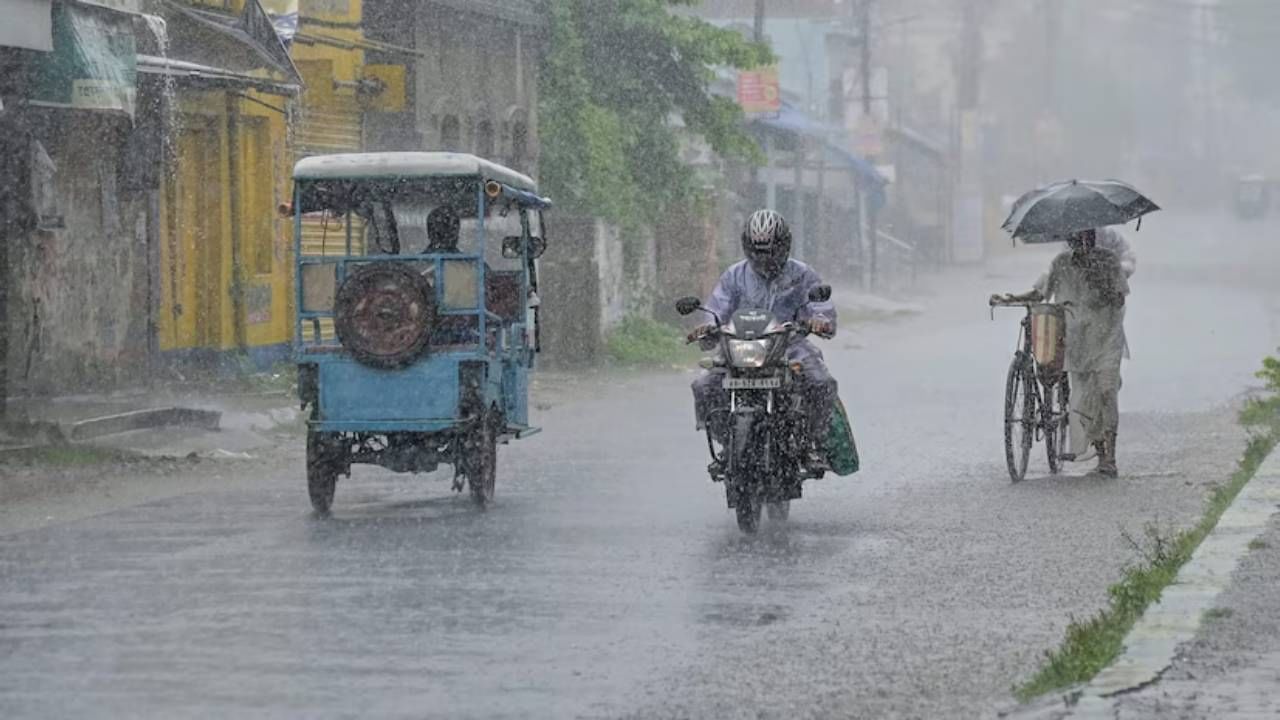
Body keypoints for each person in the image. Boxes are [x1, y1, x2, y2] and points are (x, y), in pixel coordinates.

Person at [690, 209, 838, 473]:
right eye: (757, 251)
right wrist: (706, 328)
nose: (764, 258)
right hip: (740, 347)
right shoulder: (734, 276)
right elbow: (717, 308)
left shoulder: (802, 275)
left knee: (821, 383)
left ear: (784, 245)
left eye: (769, 250)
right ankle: (728, 440)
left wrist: (819, 321)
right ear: (747, 246)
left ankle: (813, 443)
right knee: (704, 385)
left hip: (790, 345)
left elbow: (821, 308)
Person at [993, 228, 1130, 476]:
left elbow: (1120, 298)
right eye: (1075, 238)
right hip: (1077, 341)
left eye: (1085, 236)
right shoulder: (1061, 263)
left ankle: (1110, 456)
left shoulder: (1109, 260)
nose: (1081, 242)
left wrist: (1100, 282)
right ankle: (1100, 452)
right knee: (1084, 398)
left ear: (1092, 236)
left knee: (1106, 391)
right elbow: (1041, 292)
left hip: (1106, 335)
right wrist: (1011, 298)